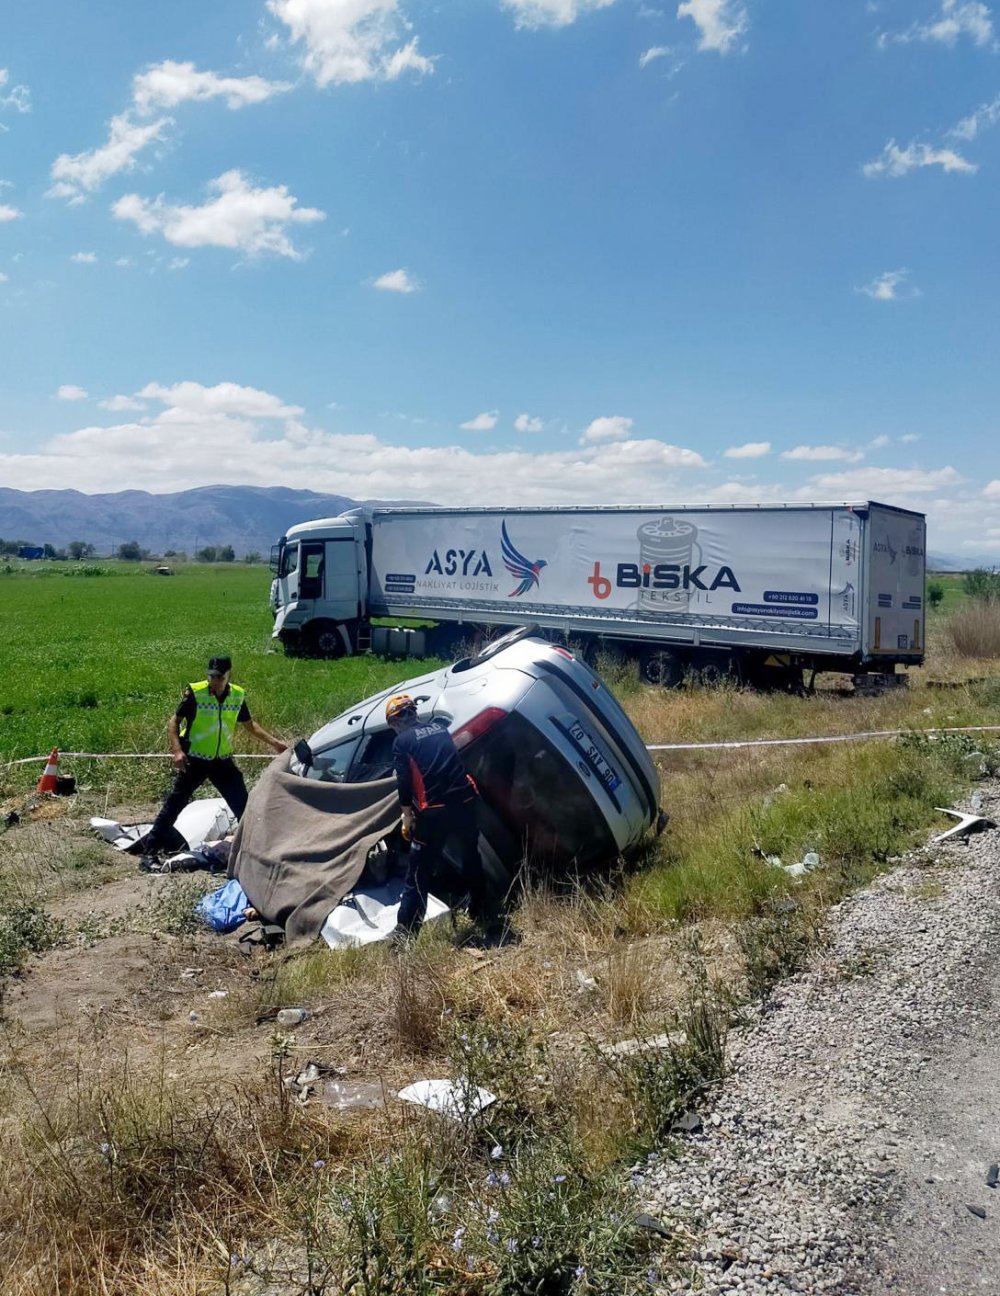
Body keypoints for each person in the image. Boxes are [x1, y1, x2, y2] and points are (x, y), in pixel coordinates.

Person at [385, 693, 510, 946]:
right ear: (414, 713)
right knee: (471, 857)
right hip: (466, 803)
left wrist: (407, 816)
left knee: (419, 870)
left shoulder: (401, 743)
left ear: (395, 723)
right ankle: (482, 910)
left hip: (434, 812)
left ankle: (405, 934)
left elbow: (403, 782)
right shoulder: (440, 730)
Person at [141, 655, 287, 871]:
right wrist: (177, 751)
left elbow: (249, 724)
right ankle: (149, 854)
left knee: (243, 807)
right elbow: (174, 721)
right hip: (195, 760)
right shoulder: (196, 693)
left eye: (219, 676)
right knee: (174, 806)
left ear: (229, 675)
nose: (214, 680)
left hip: (222, 762)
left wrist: (275, 743)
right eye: (211, 676)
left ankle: (257, 852)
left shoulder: (237, 695)